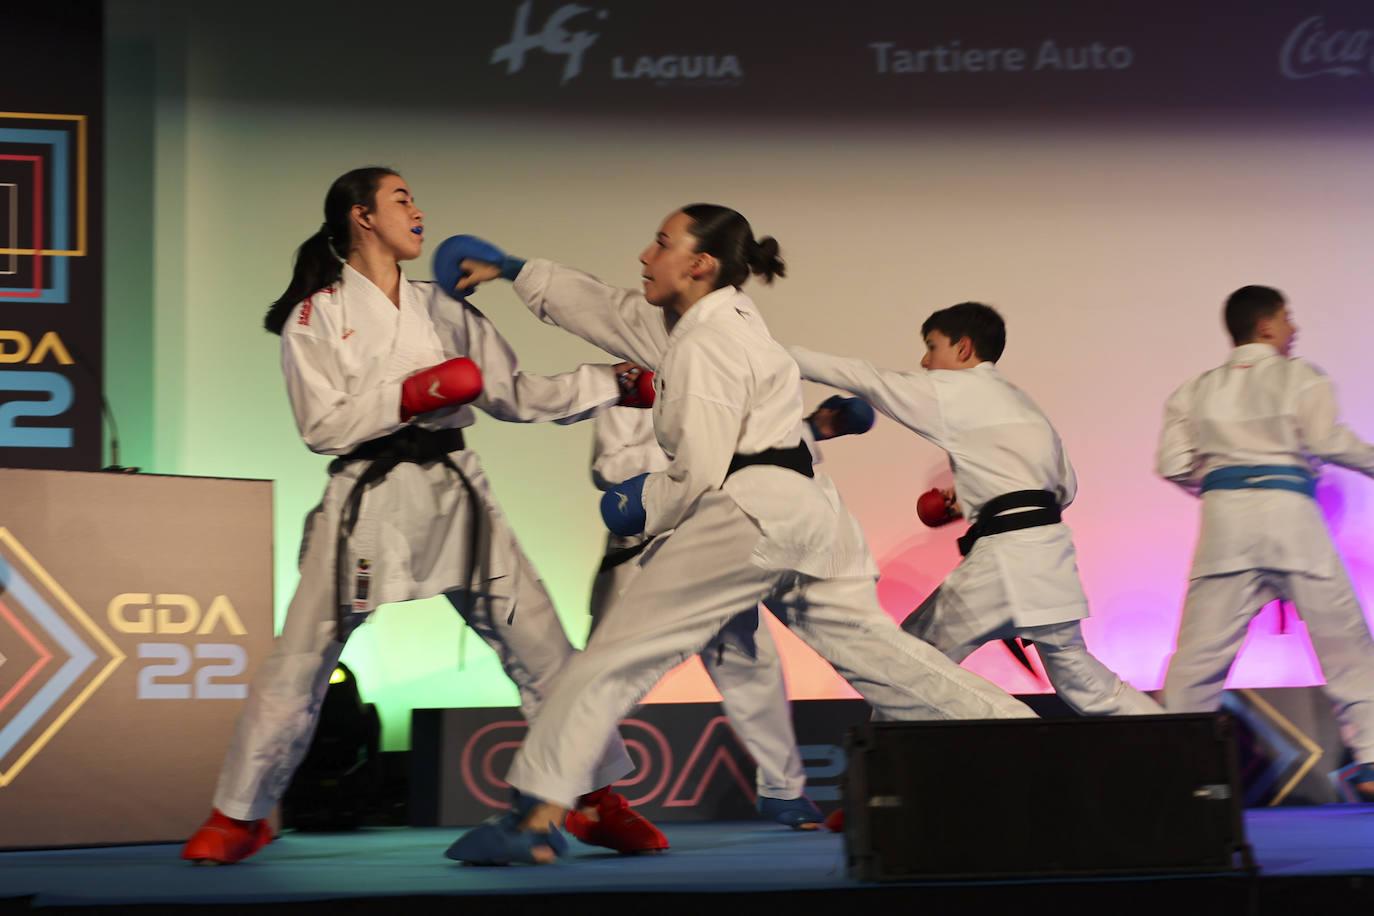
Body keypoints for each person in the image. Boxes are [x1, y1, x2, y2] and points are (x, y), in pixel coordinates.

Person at [435, 205, 1035, 865]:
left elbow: (698, 470)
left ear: (701, 263)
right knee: (887, 661)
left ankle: (532, 818)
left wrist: (643, 503)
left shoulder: (706, 342)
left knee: (613, 658)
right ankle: (1038, 749)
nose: (645, 254)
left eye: (661, 242)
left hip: (750, 512)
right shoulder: (717, 320)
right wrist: (516, 270)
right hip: (815, 520)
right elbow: (613, 312)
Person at [180, 167, 666, 864]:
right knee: (302, 658)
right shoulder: (314, 317)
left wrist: (611, 385)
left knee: (542, 646)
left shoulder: (446, 308)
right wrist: (410, 394)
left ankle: (591, 799)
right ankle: (241, 813)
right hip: (365, 500)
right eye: (402, 198)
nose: (419, 210)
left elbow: (517, 394)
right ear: (362, 216)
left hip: (454, 487)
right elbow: (321, 426)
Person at [787, 302, 1161, 717]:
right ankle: (1184, 752)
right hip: (1051, 561)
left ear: (963, 348)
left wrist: (770, 355)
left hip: (1005, 563)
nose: (925, 362)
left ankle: (896, 776)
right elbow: (1065, 488)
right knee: (1090, 687)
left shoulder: (957, 391)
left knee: (908, 667)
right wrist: (974, 498)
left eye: (932, 347)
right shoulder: (1023, 404)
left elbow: (867, 379)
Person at [588, 396, 875, 829]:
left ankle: (782, 792)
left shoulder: (727, 385)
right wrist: (694, 456)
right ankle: (555, 792)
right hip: (644, 559)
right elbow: (607, 470)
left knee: (755, 669)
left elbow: (759, 451)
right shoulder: (629, 390)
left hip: (715, 548)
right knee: (611, 680)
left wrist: (813, 429)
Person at [1156, 284, 1374, 800]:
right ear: (1266, 326)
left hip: (1226, 530)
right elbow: (1326, 441)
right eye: (1287, 318)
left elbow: (1172, 464)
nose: (1294, 329)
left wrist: (1223, 482)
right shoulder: (1301, 377)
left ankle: (1181, 774)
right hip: (1291, 524)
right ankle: (1371, 760)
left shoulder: (1194, 389)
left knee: (1197, 661)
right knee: (1347, 649)